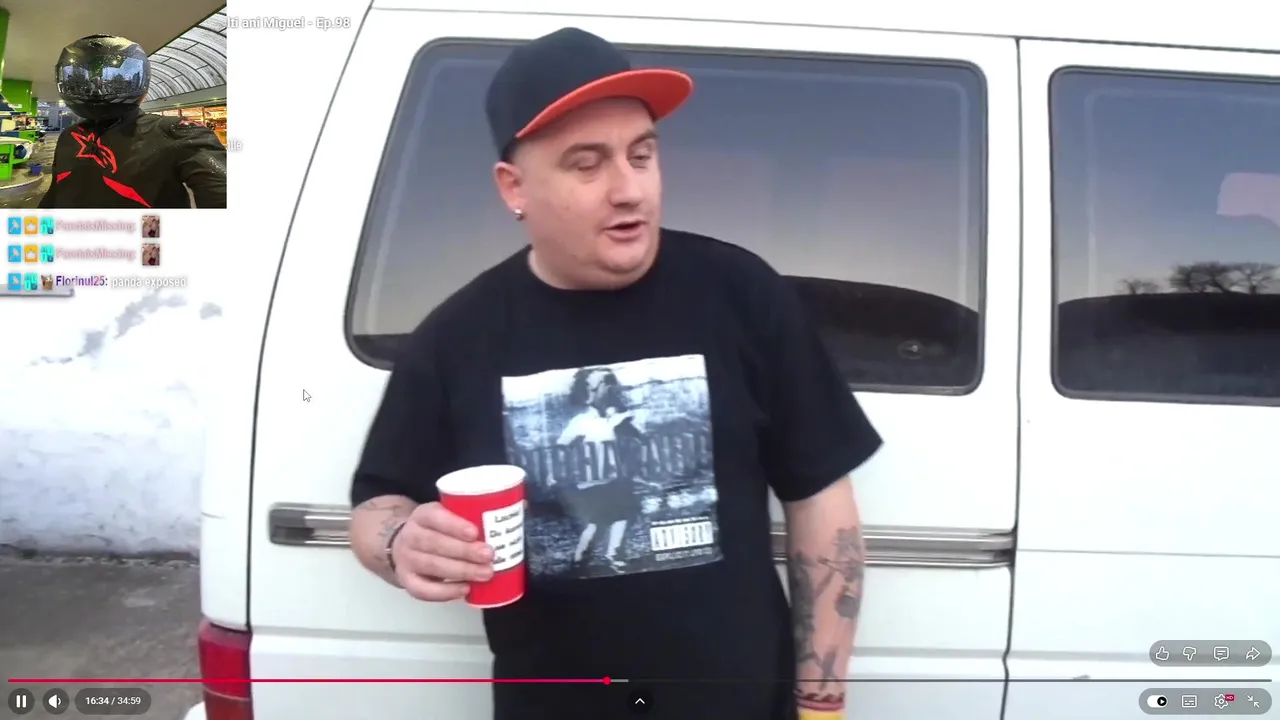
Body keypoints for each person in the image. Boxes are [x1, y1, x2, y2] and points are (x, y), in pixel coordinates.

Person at [349, 27, 882, 720]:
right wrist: (402, 543)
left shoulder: (742, 295)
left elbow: (820, 499)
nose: (629, 189)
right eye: (587, 164)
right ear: (514, 187)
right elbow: (377, 505)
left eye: (642, 154)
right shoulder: (458, 337)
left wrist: (820, 705)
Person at [38, 35, 226, 209]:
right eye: (86, 81)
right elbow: (55, 196)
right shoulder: (68, 136)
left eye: (112, 80)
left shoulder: (178, 132)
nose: (97, 91)